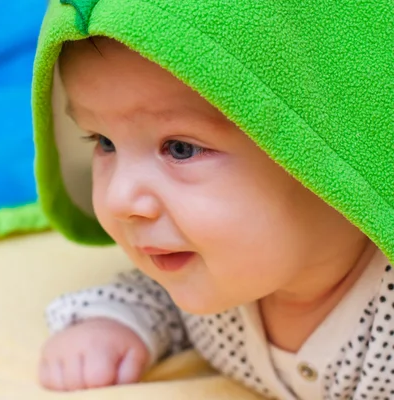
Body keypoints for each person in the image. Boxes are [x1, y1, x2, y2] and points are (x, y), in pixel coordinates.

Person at [31, 2, 394, 399]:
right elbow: (156, 297)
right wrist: (113, 324)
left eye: (181, 149)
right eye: (104, 142)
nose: (119, 198)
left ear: (322, 152)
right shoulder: (206, 272)